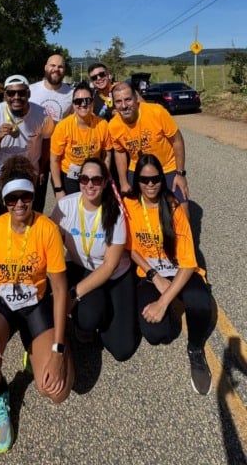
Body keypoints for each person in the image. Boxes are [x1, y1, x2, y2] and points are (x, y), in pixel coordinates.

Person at [0, 155, 74, 454]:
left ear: (32, 195)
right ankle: (0, 394)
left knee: (56, 391)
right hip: (3, 304)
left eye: (25, 196)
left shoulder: (47, 229)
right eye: (12, 198)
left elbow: (60, 289)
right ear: (4, 200)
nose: (19, 203)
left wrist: (58, 349)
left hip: (37, 305)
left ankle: (39, 348)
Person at [124, 154, 212, 395]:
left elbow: (188, 263)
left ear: (162, 179)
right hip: (150, 274)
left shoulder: (173, 207)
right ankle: (174, 309)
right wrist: (154, 276)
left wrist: (163, 301)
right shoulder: (130, 207)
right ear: (137, 181)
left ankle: (195, 349)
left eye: (155, 179)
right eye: (144, 179)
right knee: (156, 334)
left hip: (179, 271)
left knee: (201, 303)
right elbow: (130, 248)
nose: (150, 184)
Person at [51, 157, 139, 359]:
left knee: (122, 349)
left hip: (115, 273)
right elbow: (49, 242)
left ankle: (114, 305)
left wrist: (72, 295)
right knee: (89, 317)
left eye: (96, 180)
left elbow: (109, 266)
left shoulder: (114, 212)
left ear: (106, 182)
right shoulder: (65, 207)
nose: (89, 184)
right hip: (83, 267)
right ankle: (91, 320)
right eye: (84, 179)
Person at [0, 74, 55, 219]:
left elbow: (46, 142)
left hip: (30, 173)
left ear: (29, 94)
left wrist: (42, 169)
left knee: (33, 216)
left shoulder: (42, 114)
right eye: (11, 93)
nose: (16, 97)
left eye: (21, 92)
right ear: (4, 95)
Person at [109, 81, 189, 213]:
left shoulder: (156, 112)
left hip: (167, 167)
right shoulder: (113, 126)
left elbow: (177, 140)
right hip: (137, 170)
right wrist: (123, 181)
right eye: (118, 101)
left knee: (182, 211)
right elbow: (120, 152)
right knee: (140, 212)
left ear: (136, 99)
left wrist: (180, 173)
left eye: (128, 100)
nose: (124, 106)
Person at [50, 81, 112, 197]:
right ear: (73, 104)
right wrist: (58, 189)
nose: (83, 104)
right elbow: (54, 160)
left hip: (94, 175)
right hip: (70, 176)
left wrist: (105, 177)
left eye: (87, 100)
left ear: (92, 103)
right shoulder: (63, 127)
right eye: (78, 101)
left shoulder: (102, 124)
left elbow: (107, 154)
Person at [29, 53, 73, 207]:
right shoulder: (31, 91)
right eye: (53, 65)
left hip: (60, 153)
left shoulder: (71, 93)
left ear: (64, 70)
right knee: (35, 197)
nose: (56, 69)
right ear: (46, 67)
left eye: (60, 66)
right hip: (35, 151)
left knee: (64, 197)